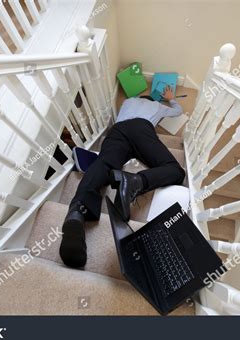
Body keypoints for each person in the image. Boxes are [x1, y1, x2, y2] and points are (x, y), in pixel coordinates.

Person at [59, 86, 186, 268]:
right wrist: (170, 98)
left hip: (116, 132)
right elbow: (178, 111)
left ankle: (77, 212)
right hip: (141, 129)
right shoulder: (157, 106)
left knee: (103, 164)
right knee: (175, 170)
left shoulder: (128, 102)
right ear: (152, 101)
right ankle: (135, 181)